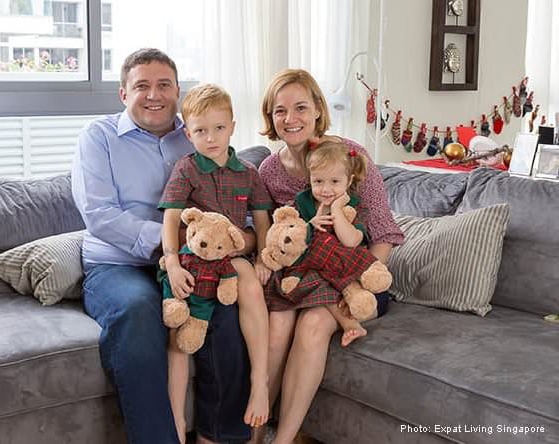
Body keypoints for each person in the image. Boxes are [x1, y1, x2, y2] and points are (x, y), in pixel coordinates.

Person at [71, 48, 252, 444]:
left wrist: (237, 240)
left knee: (225, 309)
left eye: (164, 85)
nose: (154, 94)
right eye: (142, 86)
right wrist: (176, 247)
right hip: (119, 267)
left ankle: (221, 436)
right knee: (138, 313)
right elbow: (99, 214)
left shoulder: (197, 135)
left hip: (196, 262)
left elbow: (231, 197)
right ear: (123, 94)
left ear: (177, 91)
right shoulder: (98, 138)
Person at [253, 69, 404, 444]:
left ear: (319, 110)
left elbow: (384, 233)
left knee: (315, 324)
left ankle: (283, 439)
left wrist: (355, 280)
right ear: (270, 118)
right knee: (277, 324)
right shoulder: (269, 171)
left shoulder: (352, 158)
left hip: (358, 277)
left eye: (301, 107)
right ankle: (252, 434)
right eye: (280, 111)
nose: (291, 119)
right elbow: (273, 237)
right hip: (302, 278)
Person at [158, 84, 272, 443]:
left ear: (233, 127)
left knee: (251, 282)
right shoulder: (186, 169)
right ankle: (176, 422)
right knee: (181, 334)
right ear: (188, 133)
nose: (211, 138)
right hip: (191, 262)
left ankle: (260, 383)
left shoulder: (249, 172)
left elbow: (263, 219)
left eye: (219, 128)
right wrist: (173, 265)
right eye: (201, 131)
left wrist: (265, 255)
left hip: (230, 259)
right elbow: (171, 221)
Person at [266, 140, 377, 346]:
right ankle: (349, 323)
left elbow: (351, 241)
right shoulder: (302, 201)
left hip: (343, 264)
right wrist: (310, 225)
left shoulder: (354, 206)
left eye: (335, 182)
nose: (326, 189)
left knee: (330, 281)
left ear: (348, 180)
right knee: (312, 281)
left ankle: (351, 322)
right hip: (312, 265)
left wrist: (336, 209)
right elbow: (292, 237)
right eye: (318, 181)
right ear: (310, 179)